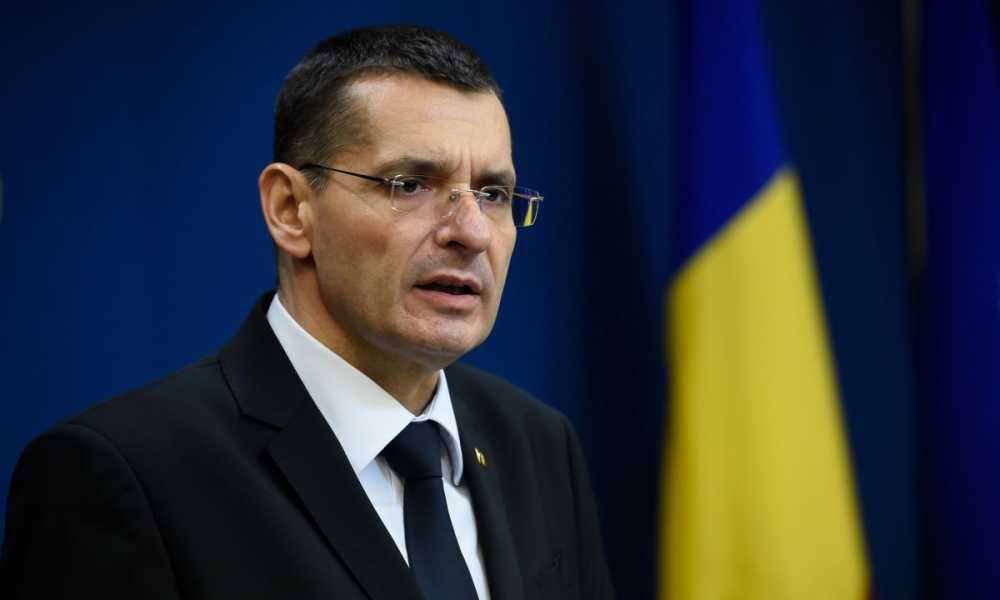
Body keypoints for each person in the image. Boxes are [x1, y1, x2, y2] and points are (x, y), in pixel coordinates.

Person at [0, 25, 614, 600]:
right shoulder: (126, 473)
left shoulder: (539, 444)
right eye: (410, 184)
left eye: (494, 194)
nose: (472, 232)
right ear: (291, 210)